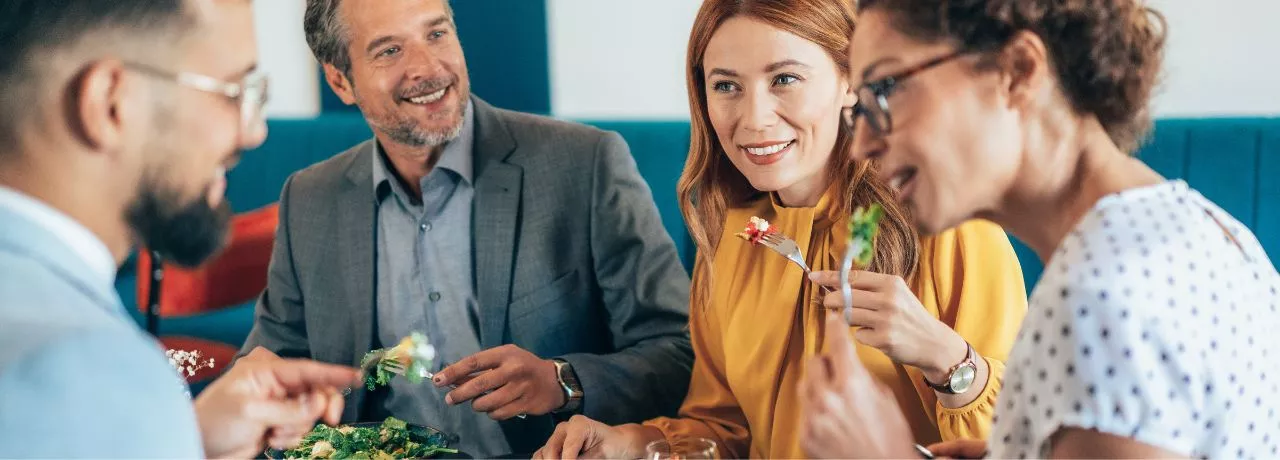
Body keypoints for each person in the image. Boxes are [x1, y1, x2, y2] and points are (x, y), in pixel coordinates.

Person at [533, 0, 1028, 458]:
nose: (753, 118)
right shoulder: (734, 239)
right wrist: (628, 443)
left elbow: (1023, 442)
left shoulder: (953, 228)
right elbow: (723, 429)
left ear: (851, 79)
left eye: (785, 79)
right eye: (726, 86)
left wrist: (947, 359)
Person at [800, 0, 1280, 458]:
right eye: (859, 110)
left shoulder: (1103, 299)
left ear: (1018, 69)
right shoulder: (1200, 226)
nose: (861, 144)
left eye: (884, 90)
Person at [236, 0, 694, 456]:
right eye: (390, 50)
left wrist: (562, 381)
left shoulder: (586, 164)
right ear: (340, 80)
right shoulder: (310, 198)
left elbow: (680, 352)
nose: (428, 67)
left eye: (436, 34)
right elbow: (264, 369)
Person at [0, 0, 362, 458]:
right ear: (111, 103)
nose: (254, 132)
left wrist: (184, 440)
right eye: (233, 92)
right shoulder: (89, 369)